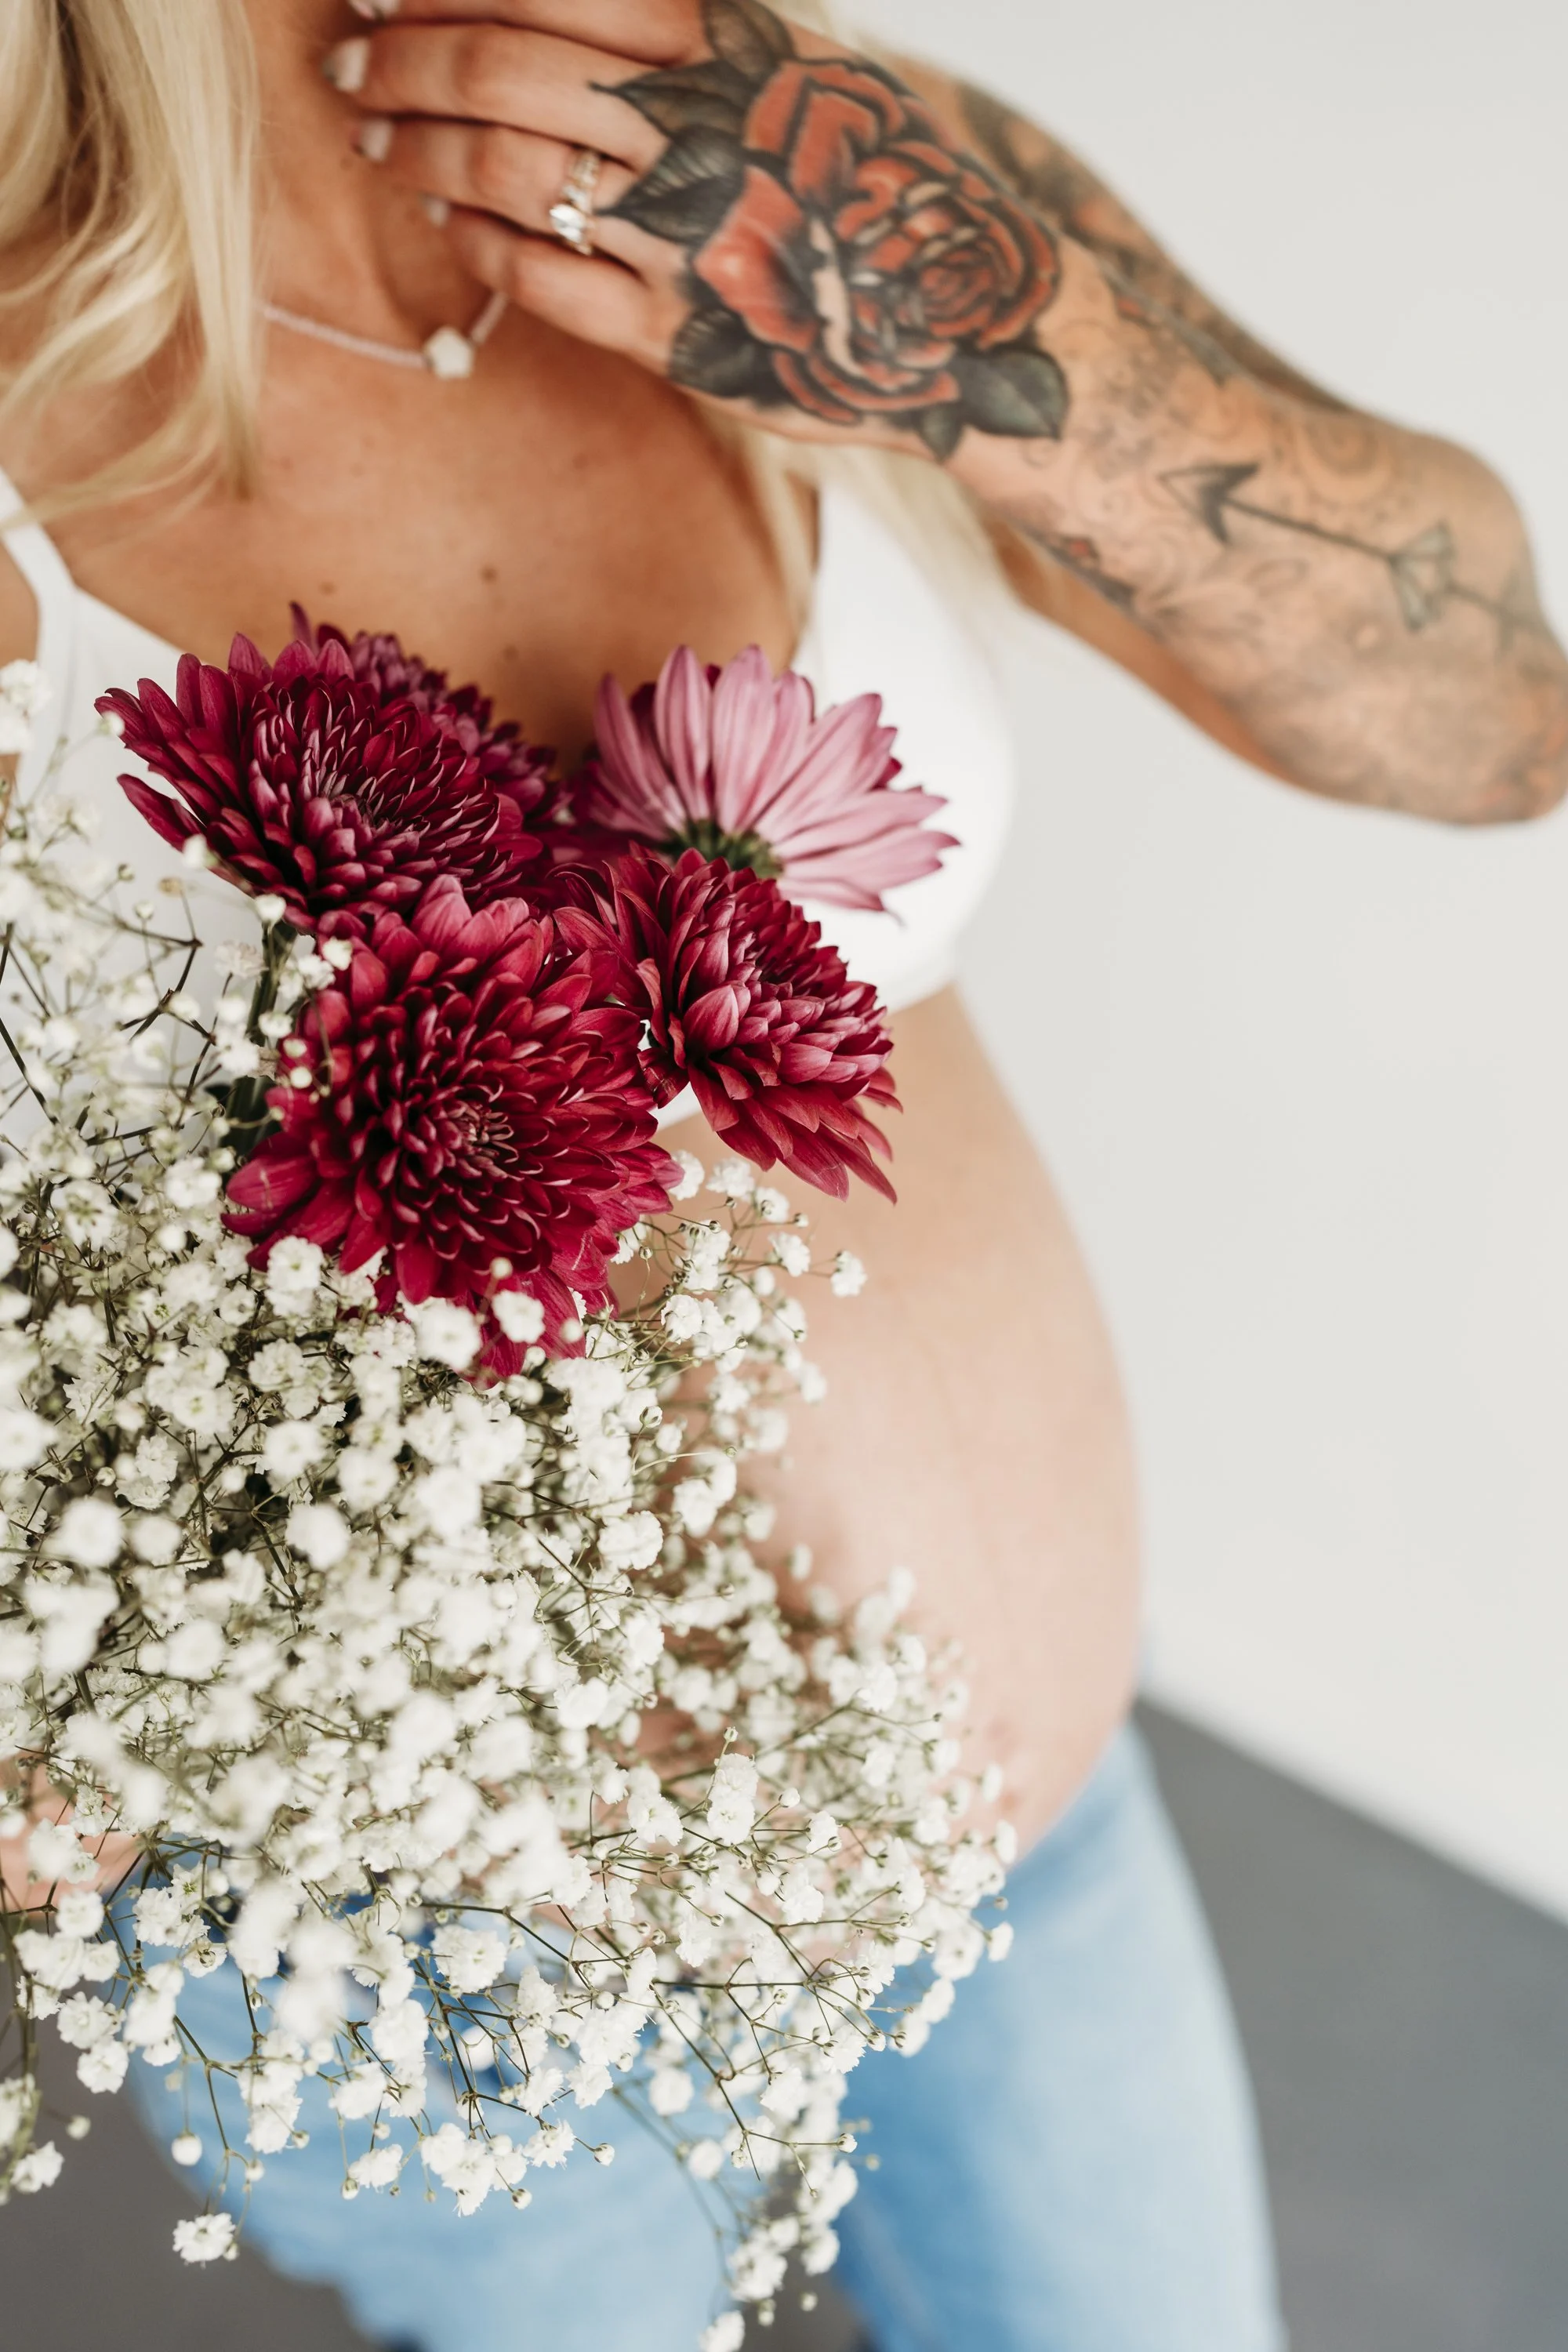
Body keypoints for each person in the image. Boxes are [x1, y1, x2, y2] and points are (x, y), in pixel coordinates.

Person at [2, 5, 1564, 2348]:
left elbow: (1494, 721)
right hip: (446, 1973)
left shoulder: (764, 129)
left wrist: (991, 334)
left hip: (1035, 1826)